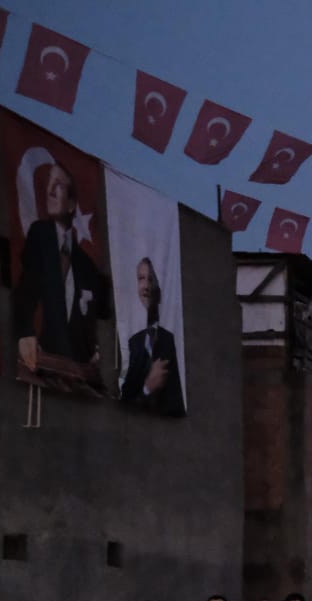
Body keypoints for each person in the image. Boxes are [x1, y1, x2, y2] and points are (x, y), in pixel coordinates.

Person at [14, 159, 107, 374]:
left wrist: (94, 350)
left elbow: (98, 311)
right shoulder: (40, 234)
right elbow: (26, 288)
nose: (50, 190)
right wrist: (25, 331)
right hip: (46, 356)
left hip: (77, 365)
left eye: (59, 185)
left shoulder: (85, 263)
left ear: (73, 204)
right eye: (49, 183)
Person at [119, 257, 185, 415]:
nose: (146, 286)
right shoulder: (133, 341)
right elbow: (126, 397)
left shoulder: (170, 338)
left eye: (151, 278)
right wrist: (147, 388)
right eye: (141, 279)